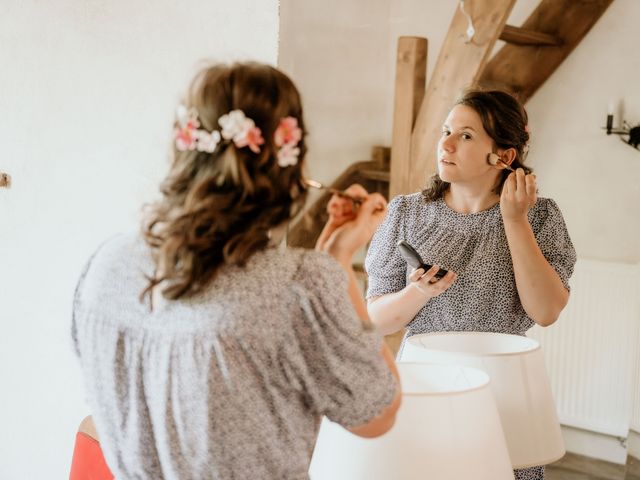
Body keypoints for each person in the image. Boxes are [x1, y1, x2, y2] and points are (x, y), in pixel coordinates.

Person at [71, 62, 401, 479]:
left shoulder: (106, 265)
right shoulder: (298, 286)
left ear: (184, 148)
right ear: (290, 166)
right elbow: (376, 412)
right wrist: (337, 265)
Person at [365, 89, 576, 480]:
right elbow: (376, 320)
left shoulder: (541, 217)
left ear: (504, 156)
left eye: (465, 135)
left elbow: (545, 312)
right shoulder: (406, 212)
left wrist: (516, 221)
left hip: (504, 392)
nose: (444, 144)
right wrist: (417, 292)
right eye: (446, 131)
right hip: (424, 384)